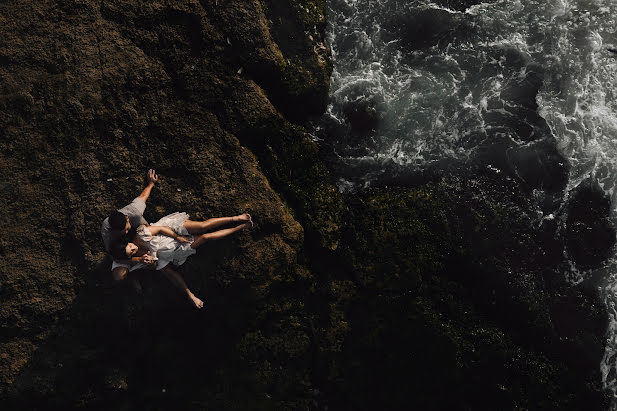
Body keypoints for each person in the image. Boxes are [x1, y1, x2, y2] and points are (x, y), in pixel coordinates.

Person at [111, 212, 252, 308]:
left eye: (131, 246)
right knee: (205, 237)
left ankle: (236, 218)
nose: (134, 247)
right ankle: (240, 227)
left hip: (171, 230)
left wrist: (177, 236)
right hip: (172, 250)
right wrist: (191, 295)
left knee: (203, 226)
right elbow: (171, 275)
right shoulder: (147, 261)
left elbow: (161, 228)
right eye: (132, 251)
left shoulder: (140, 235)